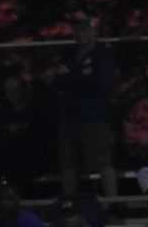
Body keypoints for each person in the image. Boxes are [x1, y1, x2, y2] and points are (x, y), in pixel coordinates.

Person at [50, 15, 117, 197]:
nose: (80, 33)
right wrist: (77, 78)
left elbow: (100, 83)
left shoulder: (102, 52)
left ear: (93, 30)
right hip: (69, 116)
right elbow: (56, 80)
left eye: (85, 28)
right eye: (77, 29)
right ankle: (68, 204)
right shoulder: (68, 53)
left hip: (94, 117)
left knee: (103, 161)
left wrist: (71, 77)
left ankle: (113, 205)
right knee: (68, 163)